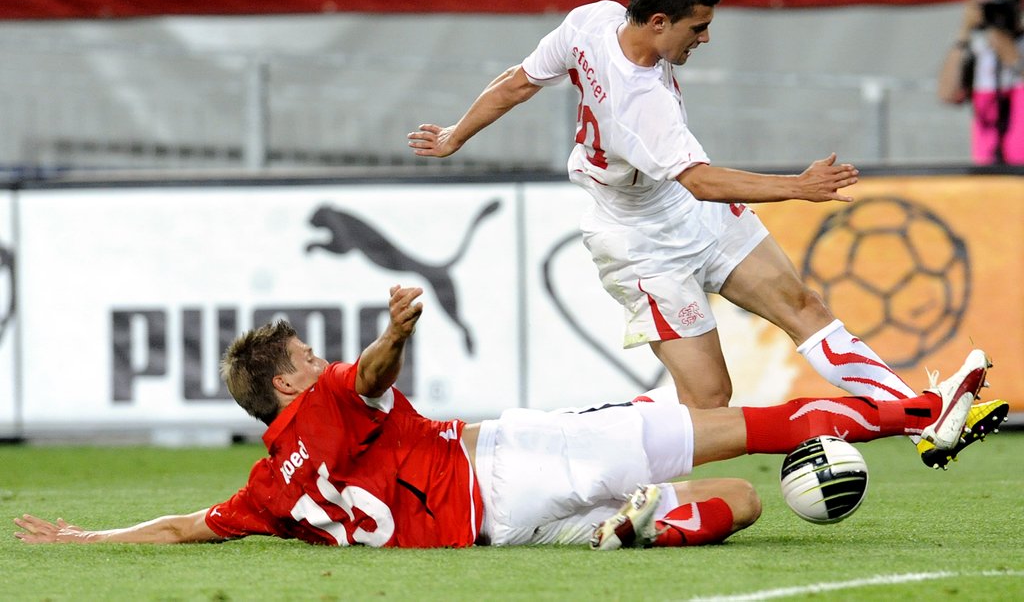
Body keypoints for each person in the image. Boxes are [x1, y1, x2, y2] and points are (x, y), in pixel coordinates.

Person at [407, 0, 1007, 464]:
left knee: (803, 307)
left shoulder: (593, 20)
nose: (705, 38)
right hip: (642, 245)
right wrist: (798, 187)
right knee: (709, 401)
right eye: (698, 27)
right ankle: (572, 451)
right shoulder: (640, 105)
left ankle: (923, 417)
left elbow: (519, 80)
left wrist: (457, 135)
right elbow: (702, 181)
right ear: (658, 21)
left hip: (687, 210)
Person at [14, 285, 998, 550]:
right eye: (303, 356)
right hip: (513, 458)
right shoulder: (327, 397)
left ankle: (630, 529)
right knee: (749, 426)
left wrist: (92, 535)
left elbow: (187, 524)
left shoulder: (270, 487)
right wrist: (397, 330)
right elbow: (371, 373)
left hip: (501, 530)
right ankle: (924, 409)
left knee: (738, 499)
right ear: (285, 382)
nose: (317, 360)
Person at [938, 0, 1024, 166]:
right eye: (983, 4)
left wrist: (1004, 42)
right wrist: (964, 33)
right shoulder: (975, 50)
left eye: (999, 2)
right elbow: (947, 94)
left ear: (1017, 4)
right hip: (988, 166)